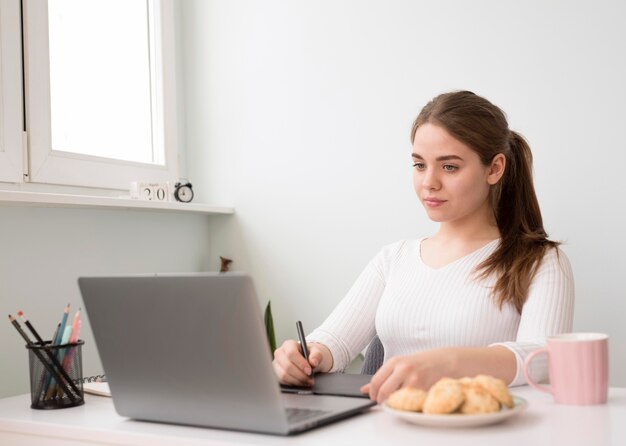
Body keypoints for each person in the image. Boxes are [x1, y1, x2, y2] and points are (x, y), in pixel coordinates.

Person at [272, 90, 575, 404]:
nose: (429, 182)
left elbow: (543, 359)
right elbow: (333, 342)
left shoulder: (540, 262)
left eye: (449, 167)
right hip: (387, 430)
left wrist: (449, 363)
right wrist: (305, 356)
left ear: (494, 168)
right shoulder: (394, 259)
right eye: (419, 165)